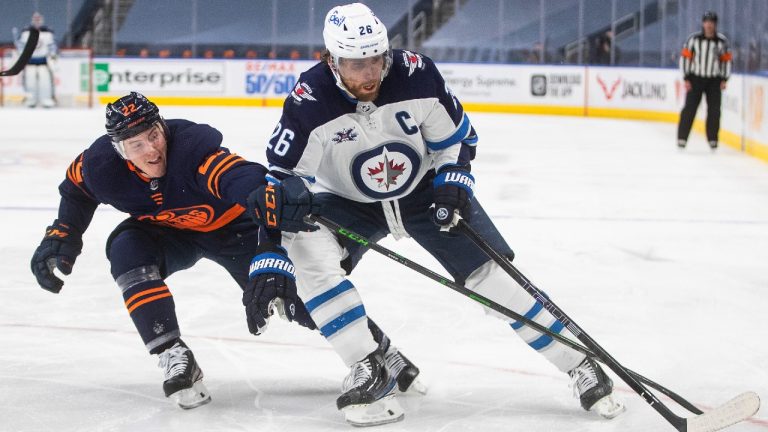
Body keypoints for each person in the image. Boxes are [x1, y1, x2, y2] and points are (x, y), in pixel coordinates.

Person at [249, 2, 624, 426]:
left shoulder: (417, 74)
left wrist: (452, 181)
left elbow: (458, 138)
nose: (370, 72)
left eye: (376, 58)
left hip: (424, 193)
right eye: (356, 63)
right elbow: (279, 184)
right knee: (308, 254)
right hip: (348, 203)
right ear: (331, 60)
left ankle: (579, 363)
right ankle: (369, 364)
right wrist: (270, 252)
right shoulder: (309, 102)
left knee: (494, 280)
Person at [29, 92, 320, 409]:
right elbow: (76, 190)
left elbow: (232, 172)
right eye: (136, 144)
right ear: (119, 151)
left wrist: (262, 192)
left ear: (162, 127)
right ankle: (172, 354)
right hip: (168, 232)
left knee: (296, 297)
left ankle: (371, 347)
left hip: (233, 231)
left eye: (153, 135)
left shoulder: (192, 150)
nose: (152, 150)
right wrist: (64, 232)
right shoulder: (100, 166)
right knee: (126, 248)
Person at [677, 11, 732, 150]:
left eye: (712, 22)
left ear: (715, 24)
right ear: (703, 23)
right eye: (707, 21)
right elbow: (685, 59)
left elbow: (726, 61)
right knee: (689, 109)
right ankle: (682, 138)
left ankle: (713, 139)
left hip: (714, 80)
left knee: (714, 110)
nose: (709, 25)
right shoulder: (693, 40)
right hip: (696, 78)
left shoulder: (722, 41)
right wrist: (686, 78)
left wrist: (725, 78)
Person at [15, 12, 57, 108]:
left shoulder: (48, 33)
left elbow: (52, 46)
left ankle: (46, 100)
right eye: (35, 19)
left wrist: (53, 55)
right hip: (30, 62)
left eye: (39, 19)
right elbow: (21, 46)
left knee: (45, 82)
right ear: (32, 20)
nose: (37, 21)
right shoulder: (26, 32)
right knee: (30, 82)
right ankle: (31, 100)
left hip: (43, 62)